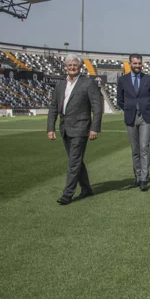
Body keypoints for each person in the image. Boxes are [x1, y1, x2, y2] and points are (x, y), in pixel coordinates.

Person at [47, 54, 102, 205]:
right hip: (65, 128)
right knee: (76, 161)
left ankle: (67, 194)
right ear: (65, 67)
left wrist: (94, 128)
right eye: (69, 65)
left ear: (80, 67)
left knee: (73, 162)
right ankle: (86, 189)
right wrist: (50, 127)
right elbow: (53, 108)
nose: (72, 67)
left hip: (81, 127)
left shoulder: (88, 83)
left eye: (75, 65)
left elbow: (97, 108)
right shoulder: (59, 85)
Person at [116, 54, 150, 191]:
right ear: (130, 64)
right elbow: (119, 100)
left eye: (139, 63)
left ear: (142, 64)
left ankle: (144, 179)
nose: (137, 66)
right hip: (130, 117)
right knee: (135, 150)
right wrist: (129, 109)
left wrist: (147, 108)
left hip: (145, 118)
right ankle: (138, 176)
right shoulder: (123, 80)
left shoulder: (148, 79)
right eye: (135, 63)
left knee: (144, 147)